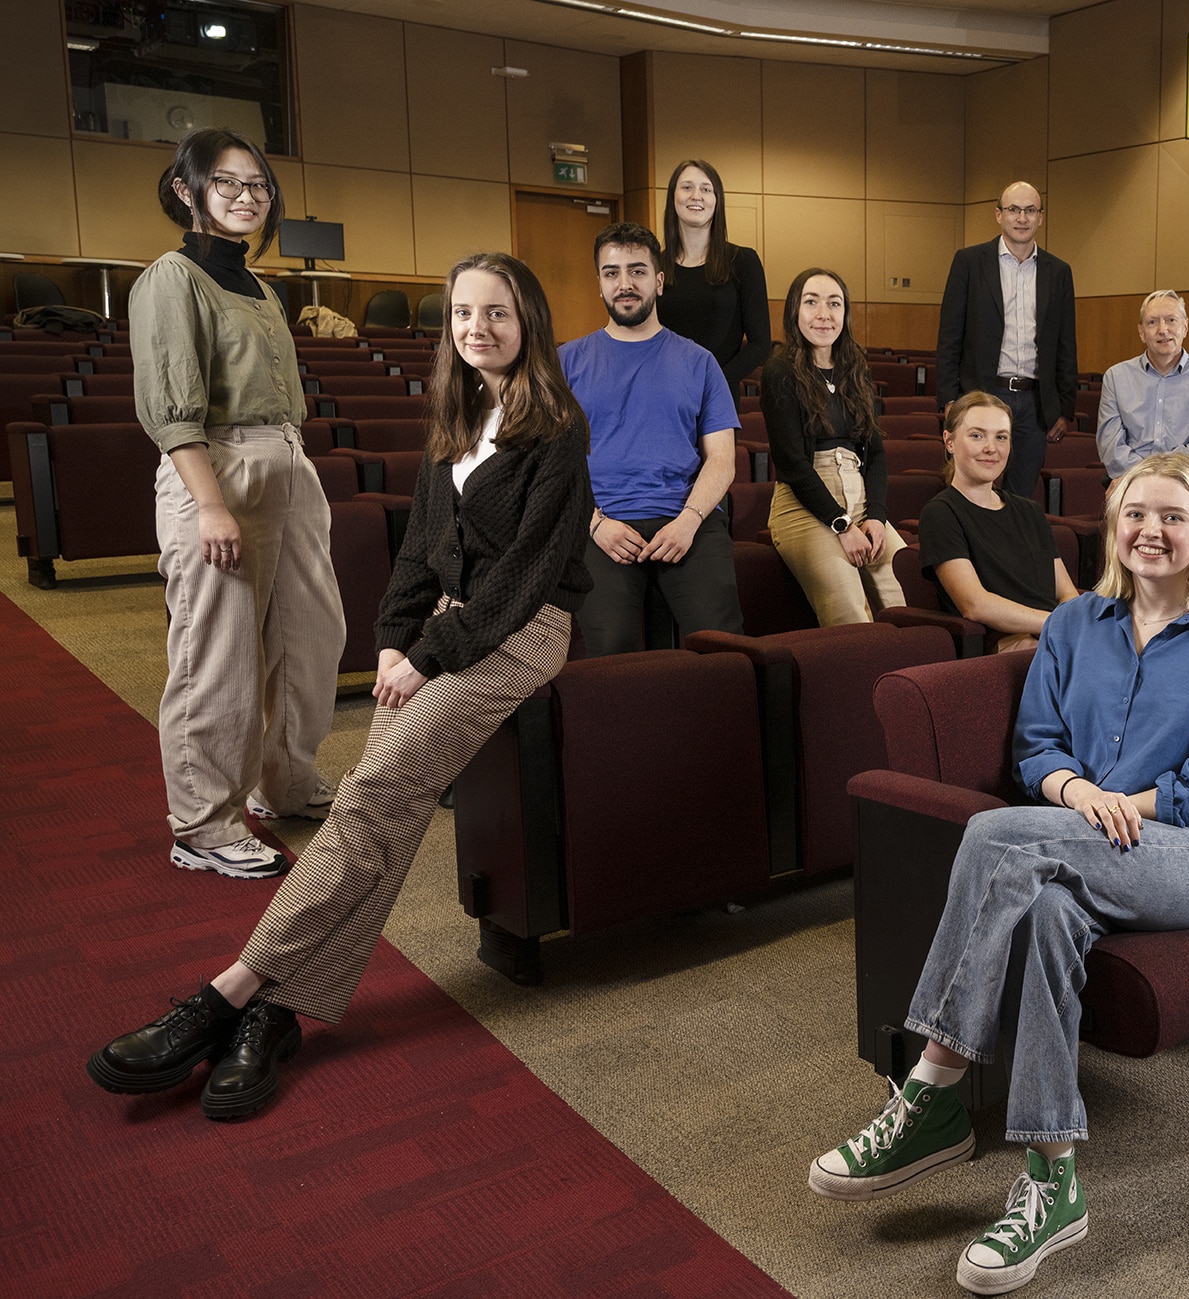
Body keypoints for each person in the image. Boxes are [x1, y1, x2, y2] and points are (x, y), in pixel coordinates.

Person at [87, 252, 595, 1119]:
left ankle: (227, 992)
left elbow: (526, 576)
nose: (479, 328)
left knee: (370, 794)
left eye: (498, 313)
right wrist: (394, 639)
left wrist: (429, 651)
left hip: (522, 632)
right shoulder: (458, 415)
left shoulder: (557, 427)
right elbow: (420, 549)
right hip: (450, 625)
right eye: (463, 313)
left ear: (529, 322)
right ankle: (276, 1012)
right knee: (381, 810)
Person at [807, 451, 1189, 1295]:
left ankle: (930, 1092)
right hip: (1075, 832)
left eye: (1171, 515)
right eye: (1135, 513)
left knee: (993, 835)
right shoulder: (1070, 625)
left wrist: (1123, 804)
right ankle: (1054, 1180)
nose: (1151, 531)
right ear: (1112, 526)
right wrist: (1082, 793)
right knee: (1048, 913)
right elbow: (1037, 751)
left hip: (1188, 854)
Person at [130, 128, 345, 881]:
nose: (247, 197)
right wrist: (209, 505)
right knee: (216, 654)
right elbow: (171, 408)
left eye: (257, 185)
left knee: (310, 634)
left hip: (287, 462)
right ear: (187, 191)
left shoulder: (262, 286)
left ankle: (284, 781)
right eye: (227, 183)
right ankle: (202, 823)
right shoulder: (172, 277)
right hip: (214, 469)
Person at [560, 222, 743, 652]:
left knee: (723, 646)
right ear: (599, 284)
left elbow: (722, 459)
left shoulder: (700, 362)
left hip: (687, 521)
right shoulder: (564, 363)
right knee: (612, 647)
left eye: (637, 271)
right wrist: (595, 524)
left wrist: (689, 521)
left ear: (658, 281)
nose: (625, 284)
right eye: (612, 272)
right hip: (600, 523)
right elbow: (546, 464)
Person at [764, 267, 906, 625]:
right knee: (850, 608)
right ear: (795, 311)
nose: (824, 314)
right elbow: (793, 463)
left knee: (908, 594)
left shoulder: (854, 366)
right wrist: (842, 525)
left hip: (859, 497)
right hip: (804, 505)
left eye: (834, 303)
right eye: (811, 302)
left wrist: (876, 516)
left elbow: (874, 453)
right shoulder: (779, 371)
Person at [936, 181, 1079, 498]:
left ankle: (1010, 548)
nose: (1022, 218)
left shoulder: (1058, 272)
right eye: (1014, 209)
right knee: (970, 489)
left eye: (1030, 210)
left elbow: (1066, 344)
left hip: (1033, 402)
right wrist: (949, 399)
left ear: (1040, 217)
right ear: (998, 214)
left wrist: (1064, 408)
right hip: (980, 394)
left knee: (1020, 497)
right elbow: (949, 337)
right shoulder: (969, 263)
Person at [920, 392, 1081, 652]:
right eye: (976, 435)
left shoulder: (1030, 511)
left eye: (1001, 437)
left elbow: (1066, 594)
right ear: (949, 441)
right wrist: (1057, 625)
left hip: (1053, 637)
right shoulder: (941, 513)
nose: (991, 448)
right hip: (1003, 644)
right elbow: (975, 604)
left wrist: (1073, 629)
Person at [656, 158, 771, 388]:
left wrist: (713, 383)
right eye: (687, 187)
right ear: (673, 198)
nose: (696, 195)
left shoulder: (743, 261)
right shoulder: (654, 264)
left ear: (717, 200)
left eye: (706, 189)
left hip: (719, 396)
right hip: (664, 393)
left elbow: (760, 344)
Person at [1094, 289, 1189, 481]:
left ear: (1185, 327)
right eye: (1152, 322)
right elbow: (1110, 445)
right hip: (1130, 480)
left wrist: (1162, 478)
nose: (1163, 329)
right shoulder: (1116, 377)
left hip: (1187, 481)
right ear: (1141, 332)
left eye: (1171, 320)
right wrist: (1145, 479)